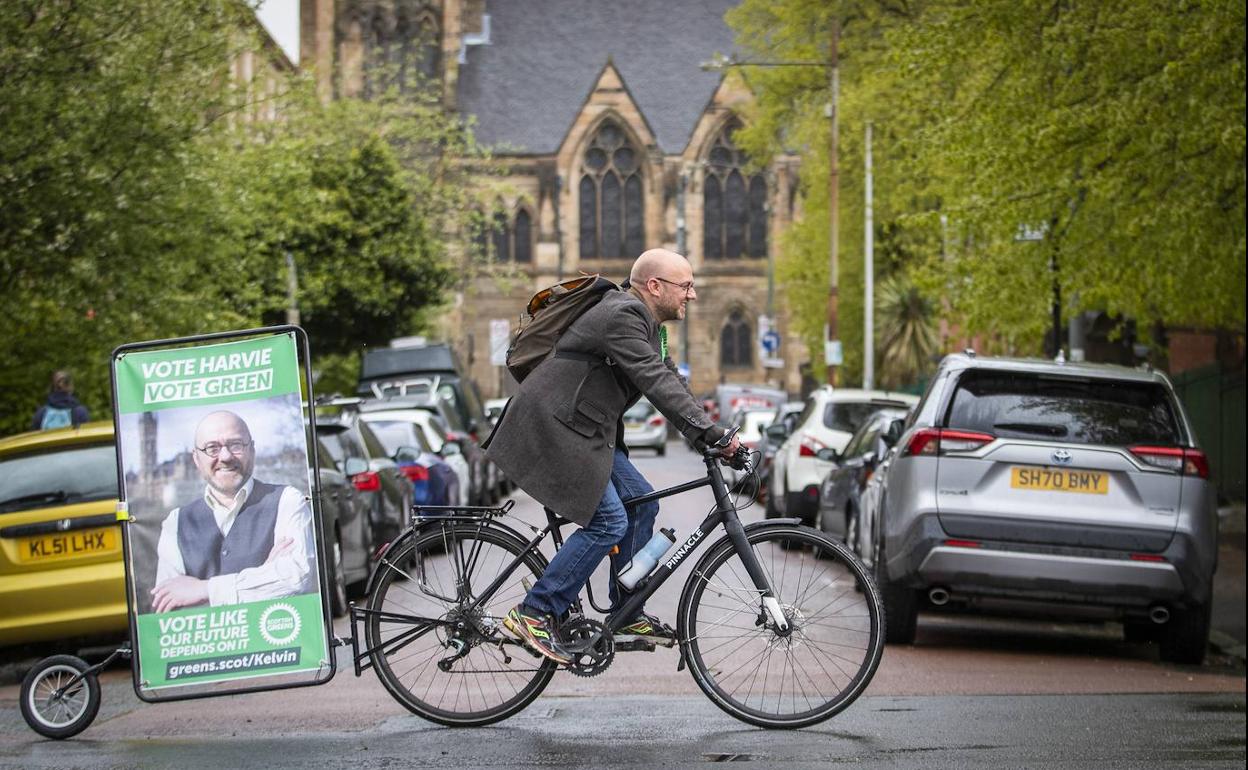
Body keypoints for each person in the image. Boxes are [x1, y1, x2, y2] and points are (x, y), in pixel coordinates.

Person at [486, 248, 739, 663]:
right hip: (557, 427)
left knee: (641, 502)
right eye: (686, 286)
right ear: (654, 287)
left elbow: (670, 379)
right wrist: (710, 434)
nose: (691, 296)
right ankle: (533, 612)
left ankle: (626, 609)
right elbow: (654, 380)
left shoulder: (648, 326)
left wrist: (710, 437)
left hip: (584, 430)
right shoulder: (623, 315)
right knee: (608, 521)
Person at [152, 410, 316, 613]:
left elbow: (295, 579)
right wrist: (264, 576)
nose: (225, 456)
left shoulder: (287, 500)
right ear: (196, 459)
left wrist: (204, 590)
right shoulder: (175, 522)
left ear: (252, 450)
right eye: (212, 448)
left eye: (236, 445)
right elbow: (170, 607)